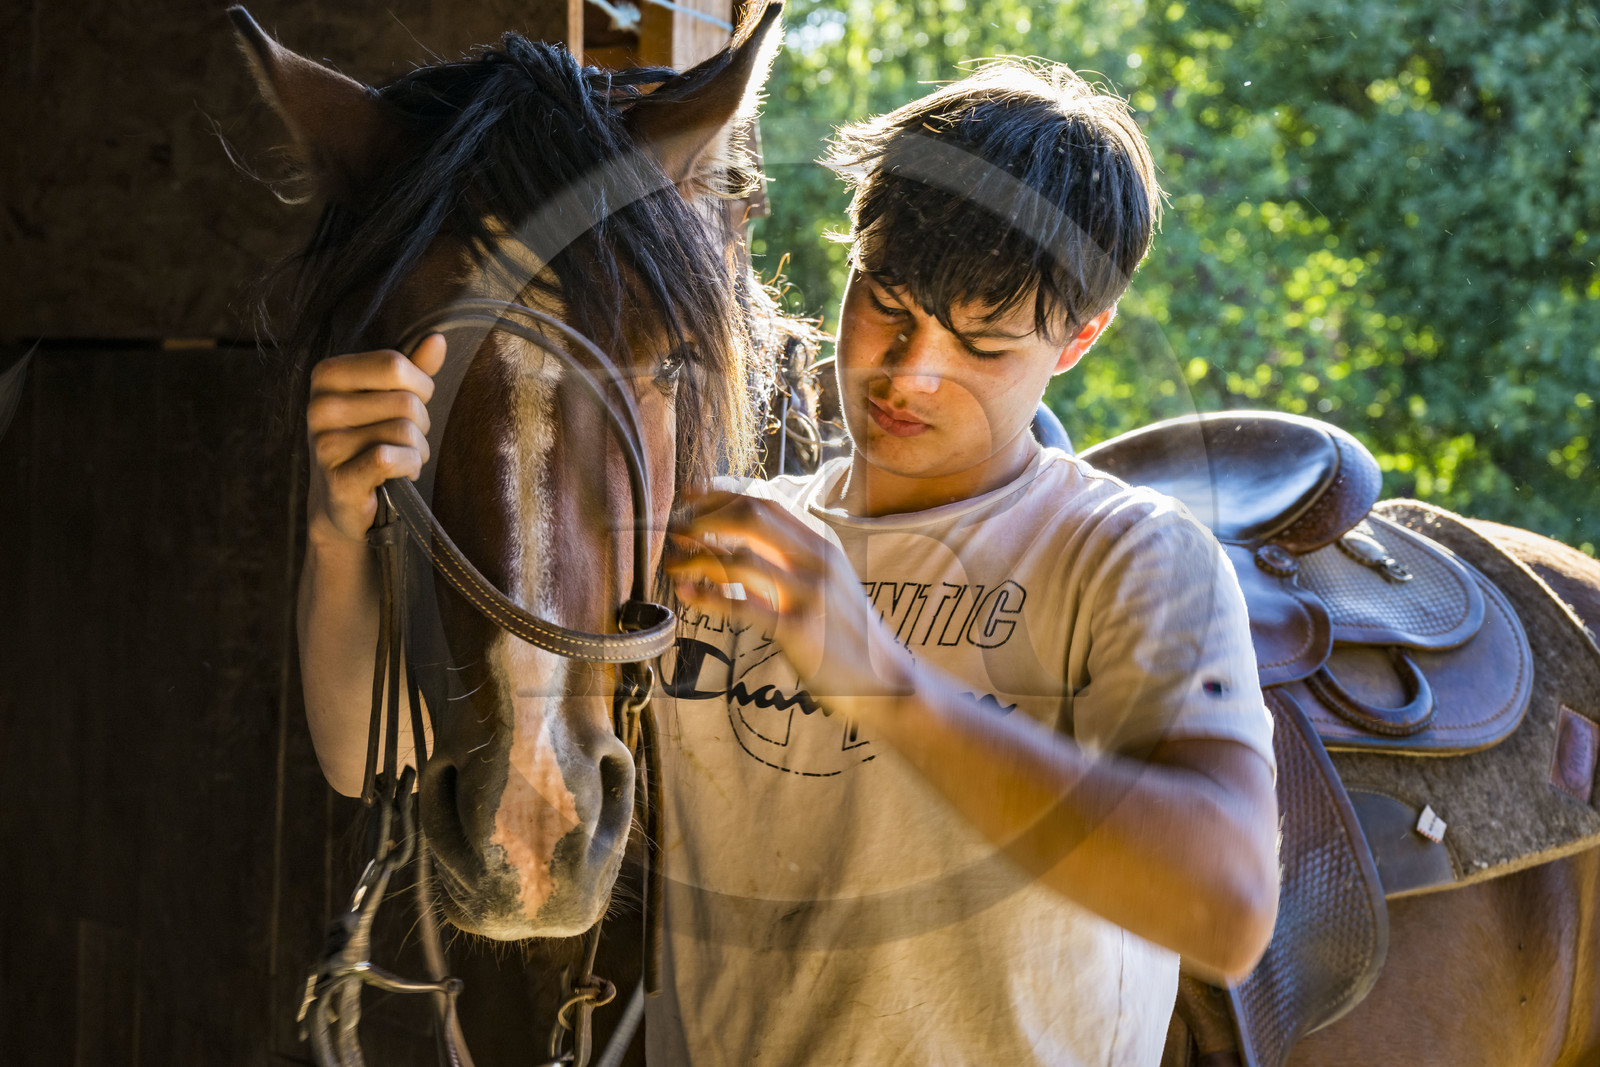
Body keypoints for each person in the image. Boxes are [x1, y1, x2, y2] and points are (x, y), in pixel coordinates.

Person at [300, 58, 1277, 1067]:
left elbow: (1227, 906)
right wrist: (340, 528)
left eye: (982, 346)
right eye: (886, 302)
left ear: (1078, 340)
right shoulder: (721, 537)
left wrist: (877, 677)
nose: (909, 373)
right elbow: (367, 755)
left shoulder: (1133, 558)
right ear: (848, 252)